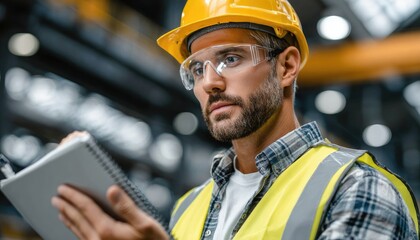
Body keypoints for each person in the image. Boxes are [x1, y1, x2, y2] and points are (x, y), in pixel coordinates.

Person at [51, 0, 420, 239]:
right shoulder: (187, 208)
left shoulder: (358, 189)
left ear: (287, 65)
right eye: (196, 68)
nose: (209, 82)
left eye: (231, 58)